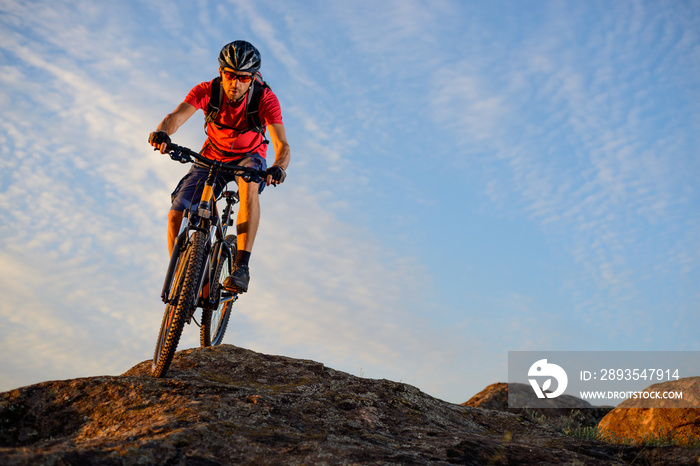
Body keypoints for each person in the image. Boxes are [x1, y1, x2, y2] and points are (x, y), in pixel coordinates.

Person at [148, 40, 290, 294]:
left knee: (249, 186)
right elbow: (175, 117)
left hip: (249, 156)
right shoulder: (207, 91)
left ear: (253, 77)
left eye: (244, 78)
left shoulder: (265, 98)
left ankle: (241, 267)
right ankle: (184, 277)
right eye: (230, 75)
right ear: (221, 72)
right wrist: (162, 133)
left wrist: (278, 167)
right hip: (212, 154)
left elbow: (282, 144)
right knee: (176, 213)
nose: (236, 83)